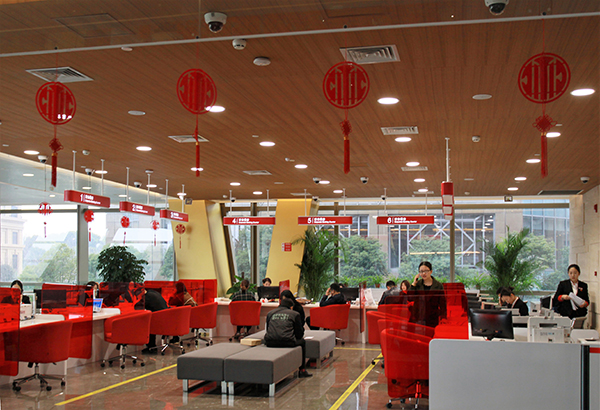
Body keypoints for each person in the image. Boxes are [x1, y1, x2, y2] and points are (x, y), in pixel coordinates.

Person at [264, 298, 312, 378]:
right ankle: (302, 370)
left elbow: (268, 329)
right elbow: (299, 334)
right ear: (291, 307)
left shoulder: (270, 313)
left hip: (270, 342)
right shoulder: (295, 314)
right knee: (302, 342)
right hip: (288, 341)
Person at [409, 262, 446, 327]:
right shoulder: (417, 284)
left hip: (432, 317)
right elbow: (410, 298)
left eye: (426, 271)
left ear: (431, 271)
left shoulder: (438, 285)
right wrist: (414, 283)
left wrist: (443, 317)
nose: (423, 273)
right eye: (421, 271)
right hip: (418, 316)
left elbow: (442, 303)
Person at [143, 288, 169, 353]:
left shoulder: (148, 296)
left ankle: (151, 347)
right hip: (166, 319)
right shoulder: (154, 293)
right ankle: (151, 346)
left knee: (148, 324)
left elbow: (138, 306)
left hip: (159, 321)